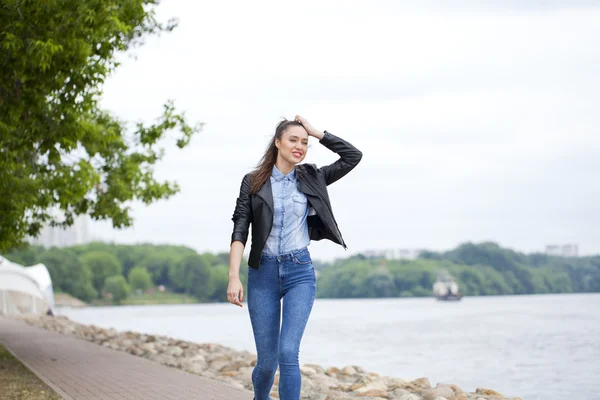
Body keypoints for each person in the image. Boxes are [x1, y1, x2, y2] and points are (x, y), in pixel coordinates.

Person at [228, 115, 362, 400]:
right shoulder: (253, 182)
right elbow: (241, 229)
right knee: (267, 364)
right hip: (262, 273)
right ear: (277, 142)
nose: (300, 146)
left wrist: (317, 132)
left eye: (304, 142)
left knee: (288, 352)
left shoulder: (313, 176)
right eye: (293, 140)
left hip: (299, 271)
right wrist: (233, 277)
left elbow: (352, 156)